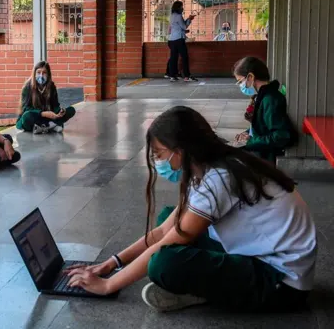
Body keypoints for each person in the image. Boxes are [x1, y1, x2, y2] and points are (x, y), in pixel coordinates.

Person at [66, 106, 316, 312]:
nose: (157, 162)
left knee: (163, 264)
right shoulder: (210, 167)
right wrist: (111, 264)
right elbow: (165, 230)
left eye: (158, 154)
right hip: (259, 255)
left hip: (282, 283)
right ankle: (206, 288)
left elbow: (165, 244)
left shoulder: (219, 179)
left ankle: (207, 291)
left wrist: (107, 286)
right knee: (169, 218)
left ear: (180, 151)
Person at [232, 57, 298, 163]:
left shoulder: (270, 99)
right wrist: (247, 133)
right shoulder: (263, 96)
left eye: (240, 81)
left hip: (267, 159)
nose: (241, 86)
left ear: (250, 77)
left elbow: (280, 136)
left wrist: (251, 141)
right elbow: (263, 126)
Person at [16, 61, 76, 134]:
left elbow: (55, 105)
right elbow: (25, 109)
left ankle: (43, 127)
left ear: (48, 74)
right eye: (38, 72)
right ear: (34, 73)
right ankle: (50, 126)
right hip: (35, 117)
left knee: (71, 110)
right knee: (27, 116)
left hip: (48, 117)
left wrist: (60, 112)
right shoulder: (27, 87)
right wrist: (42, 113)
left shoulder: (51, 86)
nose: (41, 75)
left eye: (44, 72)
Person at [167, 1, 197, 82]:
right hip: (179, 39)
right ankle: (187, 76)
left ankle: (172, 76)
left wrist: (187, 20)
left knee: (174, 58)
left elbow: (177, 28)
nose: (182, 8)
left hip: (171, 40)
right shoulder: (179, 16)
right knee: (184, 57)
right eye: (181, 7)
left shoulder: (172, 16)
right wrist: (189, 19)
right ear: (178, 8)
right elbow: (184, 26)